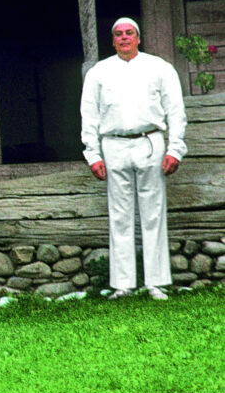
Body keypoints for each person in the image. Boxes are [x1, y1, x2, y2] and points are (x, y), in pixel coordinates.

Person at [80, 17, 187, 300]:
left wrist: (175, 148)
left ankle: (156, 282)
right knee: (120, 215)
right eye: (118, 34)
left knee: (153, 213)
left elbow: (175, 110)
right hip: (113, 145)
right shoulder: (99, 72)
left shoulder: (159, 68)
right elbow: (89, 115)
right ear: (112, 40)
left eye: (129, 33)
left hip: (150, 142)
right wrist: (93, 154)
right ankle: (123, 284)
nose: (124, 38)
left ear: (138, 38)